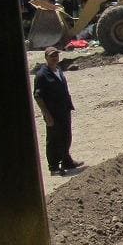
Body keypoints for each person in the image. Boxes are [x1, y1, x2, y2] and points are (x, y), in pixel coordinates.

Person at [33, 46, 82, 176]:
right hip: (53, 113)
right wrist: (46, 114)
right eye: (52, 56)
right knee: (53, 139)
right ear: (46, 58)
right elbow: (38, 96)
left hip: (64, 109)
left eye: (56, 55)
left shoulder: (58, 70)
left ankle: (66, 160)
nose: (55, 58)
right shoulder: (42, 75)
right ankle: (53, 167)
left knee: (66, 136)